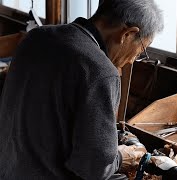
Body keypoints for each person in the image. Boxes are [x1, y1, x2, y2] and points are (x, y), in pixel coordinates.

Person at [0, 0, 163, 179]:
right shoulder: (101, 71)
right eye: (141, 52)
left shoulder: (36, 37)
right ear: (128, 34)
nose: (132, 60)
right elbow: (94, 169)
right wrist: (122, 157)